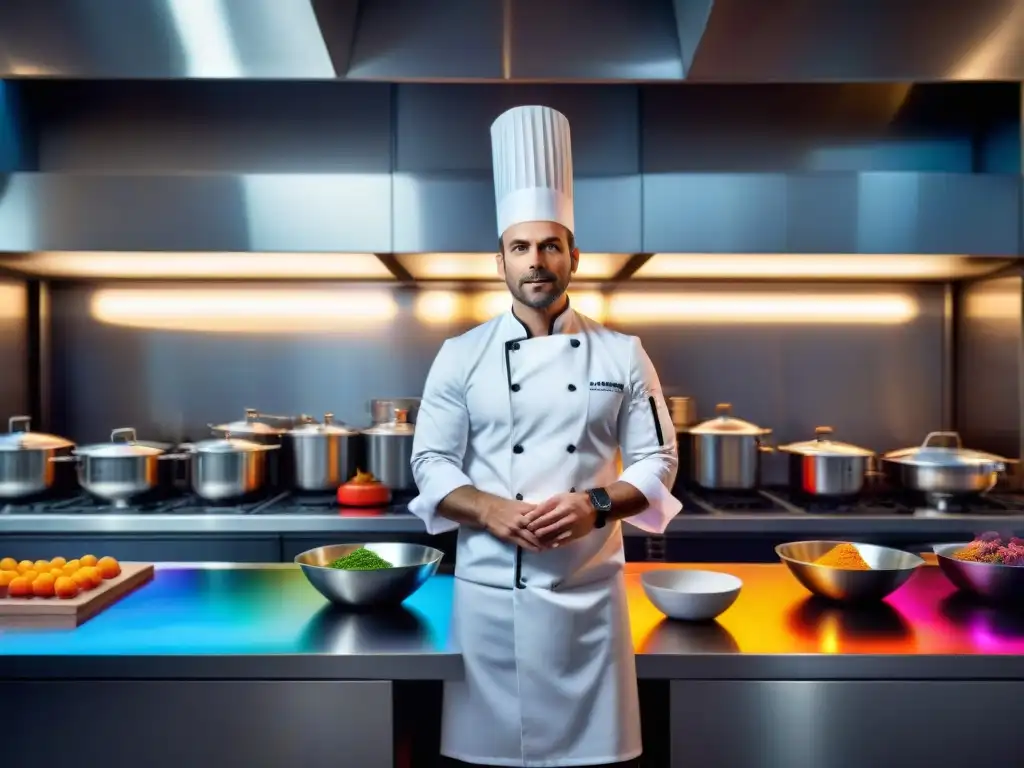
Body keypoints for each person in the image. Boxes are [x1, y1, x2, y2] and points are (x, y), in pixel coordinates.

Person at [409, 105, 681, 768]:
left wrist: (593, 504)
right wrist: (493, 509)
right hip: (489, 600)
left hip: (589, 603)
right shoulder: (460, 354)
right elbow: (430, 461)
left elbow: (659, 461)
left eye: (551, 245)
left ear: (574, 256)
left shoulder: (623, 353)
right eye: (522, 247)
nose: (537, 261)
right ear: (499, 259)